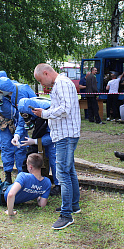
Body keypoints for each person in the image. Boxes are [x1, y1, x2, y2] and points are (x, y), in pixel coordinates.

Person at [32, 63, 81, 230]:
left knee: (63, 174)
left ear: (46, 73)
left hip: (66, 136)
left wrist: (44, 114)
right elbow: (61, 107)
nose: (42, 84)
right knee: (69, 170)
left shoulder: (62, 83)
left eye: (41, 80)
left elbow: (65, 109)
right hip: (64, 135)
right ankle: (74, 205)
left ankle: (66, 215)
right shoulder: (61, 84)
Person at [17, 97, 60, 196]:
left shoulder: (49, 110)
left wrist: (35, 141)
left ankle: (59, 185)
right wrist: (17, 135)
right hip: (41, 127)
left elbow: (53, 135)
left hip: (53, 134)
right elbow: (21, 124)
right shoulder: (23, 108)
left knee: (54, 157)